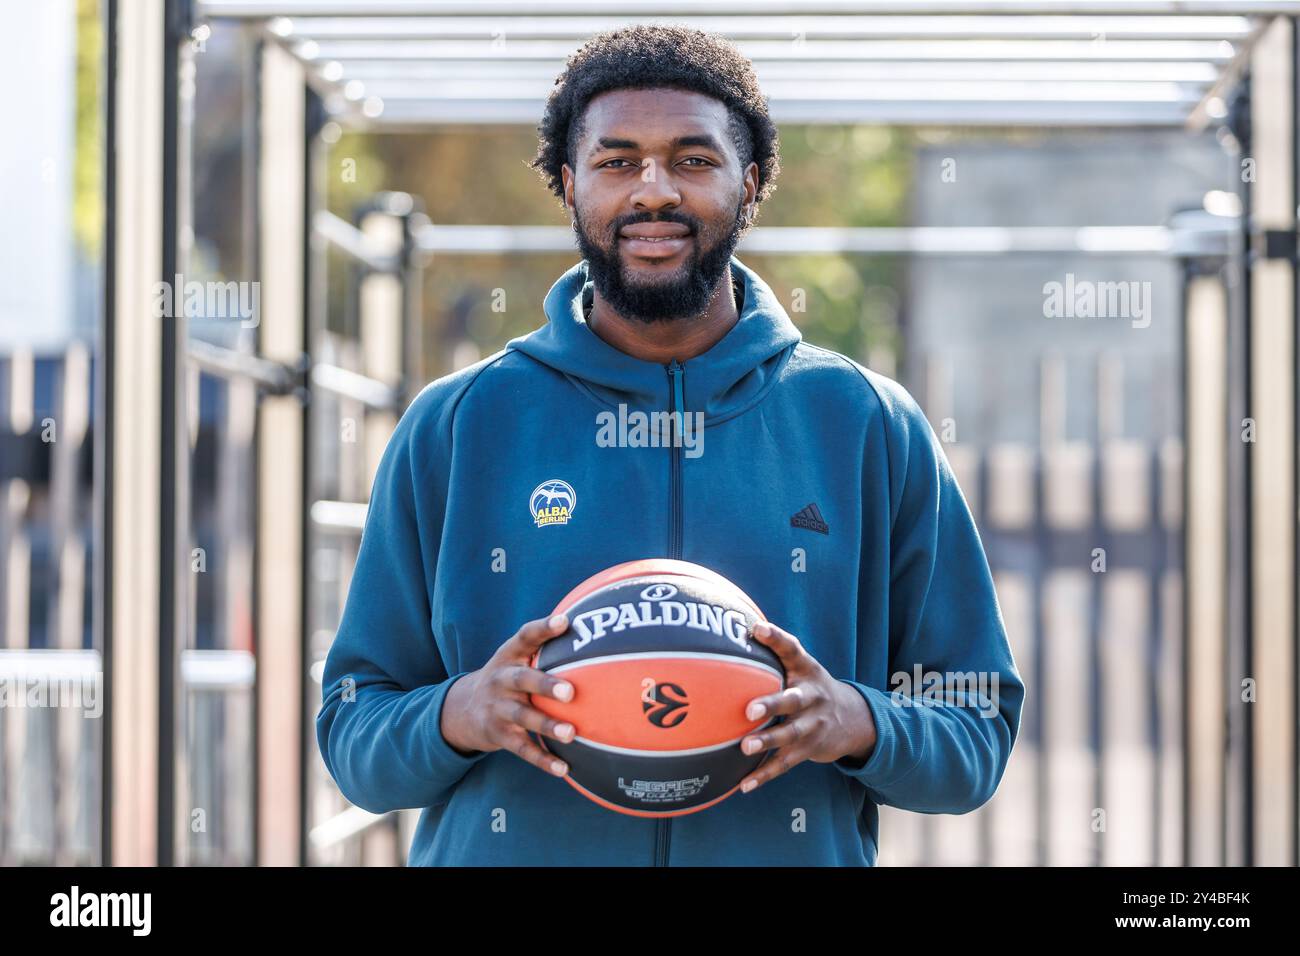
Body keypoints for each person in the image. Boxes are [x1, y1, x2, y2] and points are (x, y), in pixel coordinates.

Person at [316, 23, 1024, 866]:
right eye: (618, 162)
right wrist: (458, 713)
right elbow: (353, 729)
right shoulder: (459, 424)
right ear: (570, 185)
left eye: (693, 160)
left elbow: (976, 726)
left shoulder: (866, 422)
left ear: (750, 183)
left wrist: (859, 721)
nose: (654, 191)